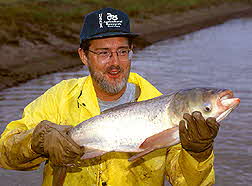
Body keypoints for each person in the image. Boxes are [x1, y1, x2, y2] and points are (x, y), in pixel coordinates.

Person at [0, 7, 219, 186]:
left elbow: (189, 182)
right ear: (83, 56)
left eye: (123, 51)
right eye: (104, 52)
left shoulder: (167, 109)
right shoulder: (59, 98)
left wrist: (198, 153)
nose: (115, 63)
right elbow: (4, 154)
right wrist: (36, 142)